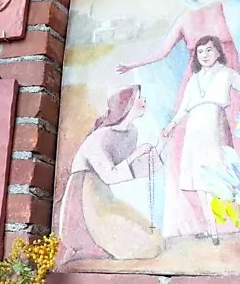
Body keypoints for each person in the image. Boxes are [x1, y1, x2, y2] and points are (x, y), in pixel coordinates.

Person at [116, 0, 240, 237]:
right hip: (194, 87)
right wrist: (133, 64)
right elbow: (162, 51)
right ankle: (195, 224)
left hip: (226, 84)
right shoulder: (185, 17)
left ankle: (235, 221)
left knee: (229, 152)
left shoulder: (232, 6)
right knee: (188, 157)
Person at [162, 35, 240, 243]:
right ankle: (211, 228)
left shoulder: (226, 73)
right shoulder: (194, 79)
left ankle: (216, 227)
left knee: (214, 177)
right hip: (194, 130)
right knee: (198, 179)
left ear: (218, 52)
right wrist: (171, 126)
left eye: (209, 50)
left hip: (215, 127)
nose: (204, 55)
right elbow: (183, 108)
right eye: (200, 51)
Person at [55, 85, 164, 268]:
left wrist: (160, 146)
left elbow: (129, 169)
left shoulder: (131, 132)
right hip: (84, 199)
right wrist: (135, 155)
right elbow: (111, 175)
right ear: (127, 105)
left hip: (104, 196)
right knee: (143, 246)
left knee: (155, 240)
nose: (144, 100)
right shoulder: (100, 137)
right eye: (139, 97)